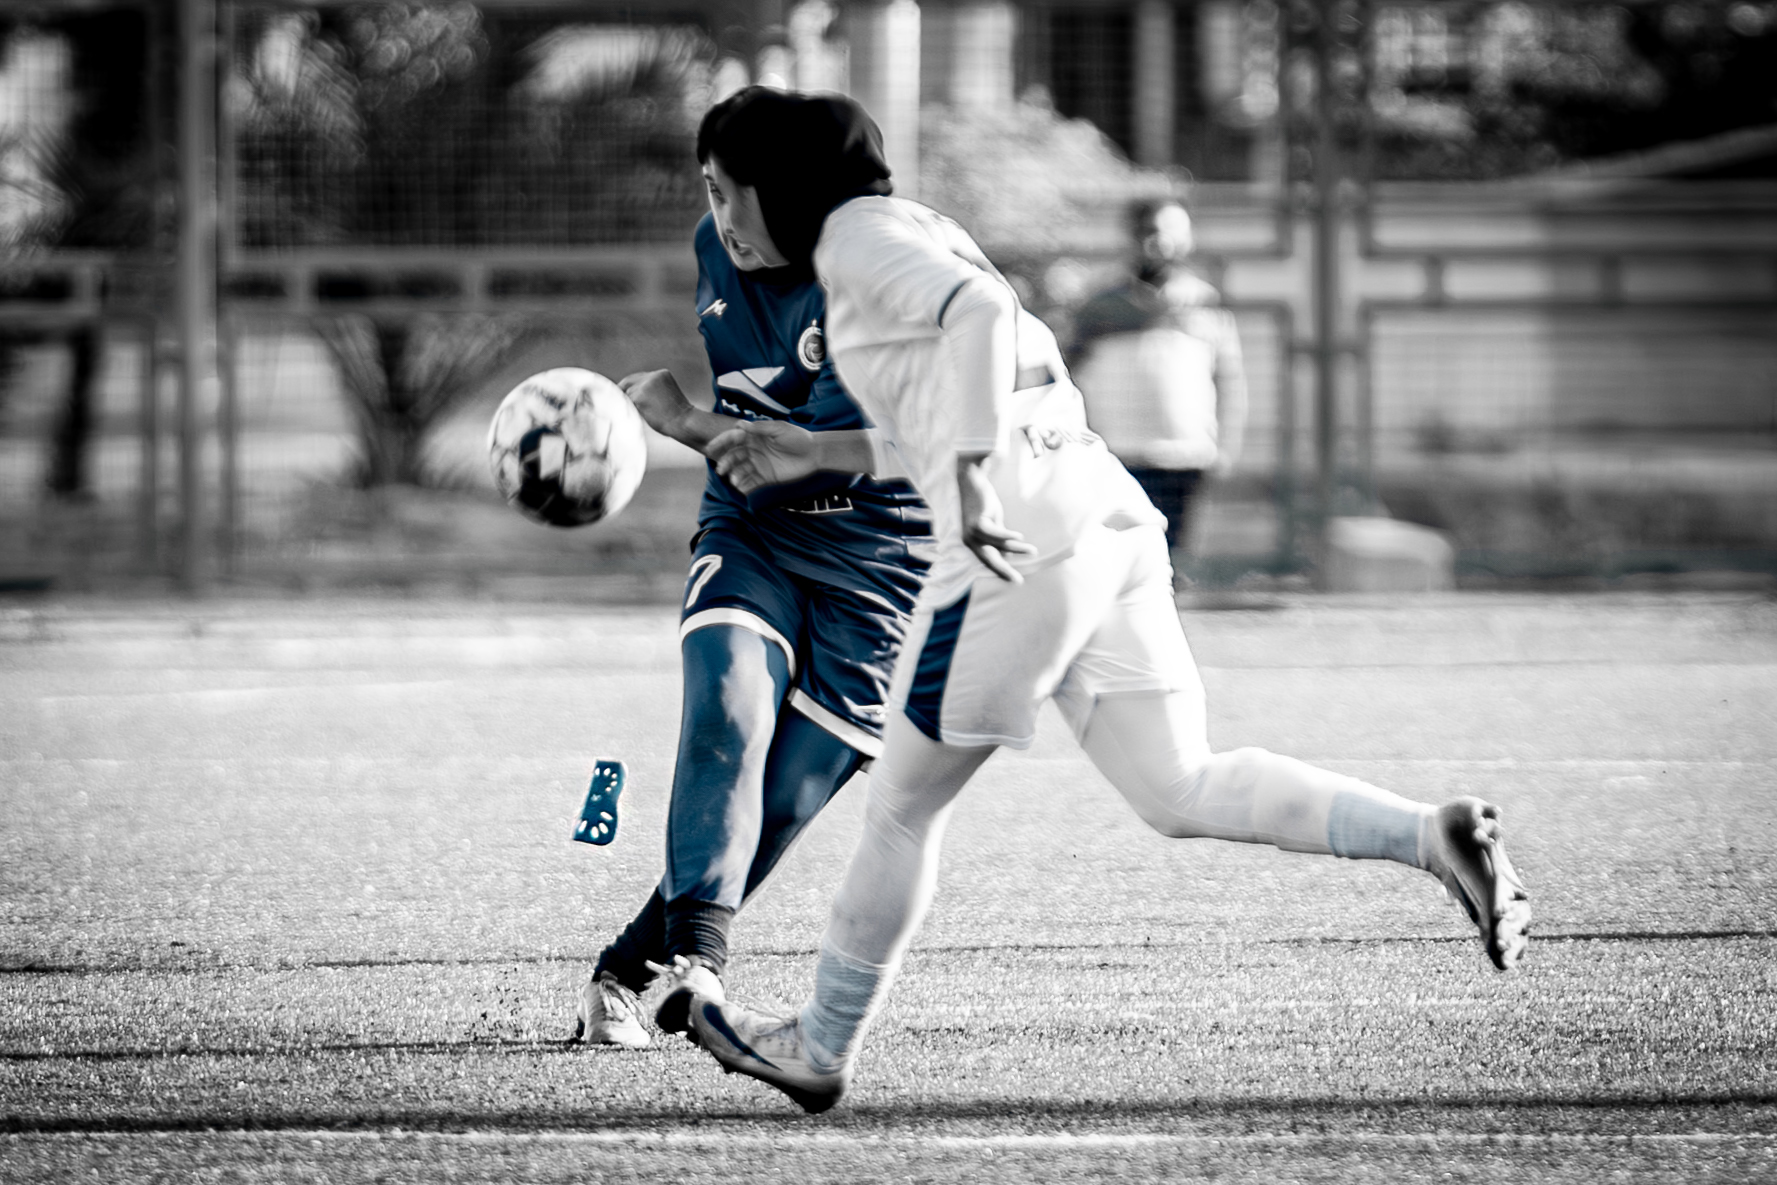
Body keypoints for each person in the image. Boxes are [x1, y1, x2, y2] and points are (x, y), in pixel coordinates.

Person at [682, 88, 1532, 1113]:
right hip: (1094, 502)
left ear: (784, 185)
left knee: (903, 804)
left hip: (1019, 535)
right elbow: (968, 373)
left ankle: (819, 1045)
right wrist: (823, 449)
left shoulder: (853, 243)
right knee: (1180, 786)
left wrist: (972, 470)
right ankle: (1426, 832)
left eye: (726, 190)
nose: (720, 217)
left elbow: (983, 320)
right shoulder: (906, 229)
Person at [570, 87, 932, 1048]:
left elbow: (825, 444)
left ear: (800, 197)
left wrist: (683, 419)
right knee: (726, 707)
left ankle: (624, 968)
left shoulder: (875, 284)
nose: (720, 218)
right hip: (755, 534)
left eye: (737, 195)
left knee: (779, 804)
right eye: (709, 190)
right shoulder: (711, 247)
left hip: (879, 564)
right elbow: (758, 461)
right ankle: (699, 967)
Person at [1066, 198, 1246, 558]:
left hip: (1187, 456)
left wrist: (1226, 446)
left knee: (1173, 556)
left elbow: (1229, 379)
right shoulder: (1099, 304)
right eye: (1150, 231)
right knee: (1123, 556)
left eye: (1173, 232)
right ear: (1131, 236)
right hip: (1120, 455)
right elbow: (1069, 375)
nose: (1161, 242)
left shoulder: (1206, 302)